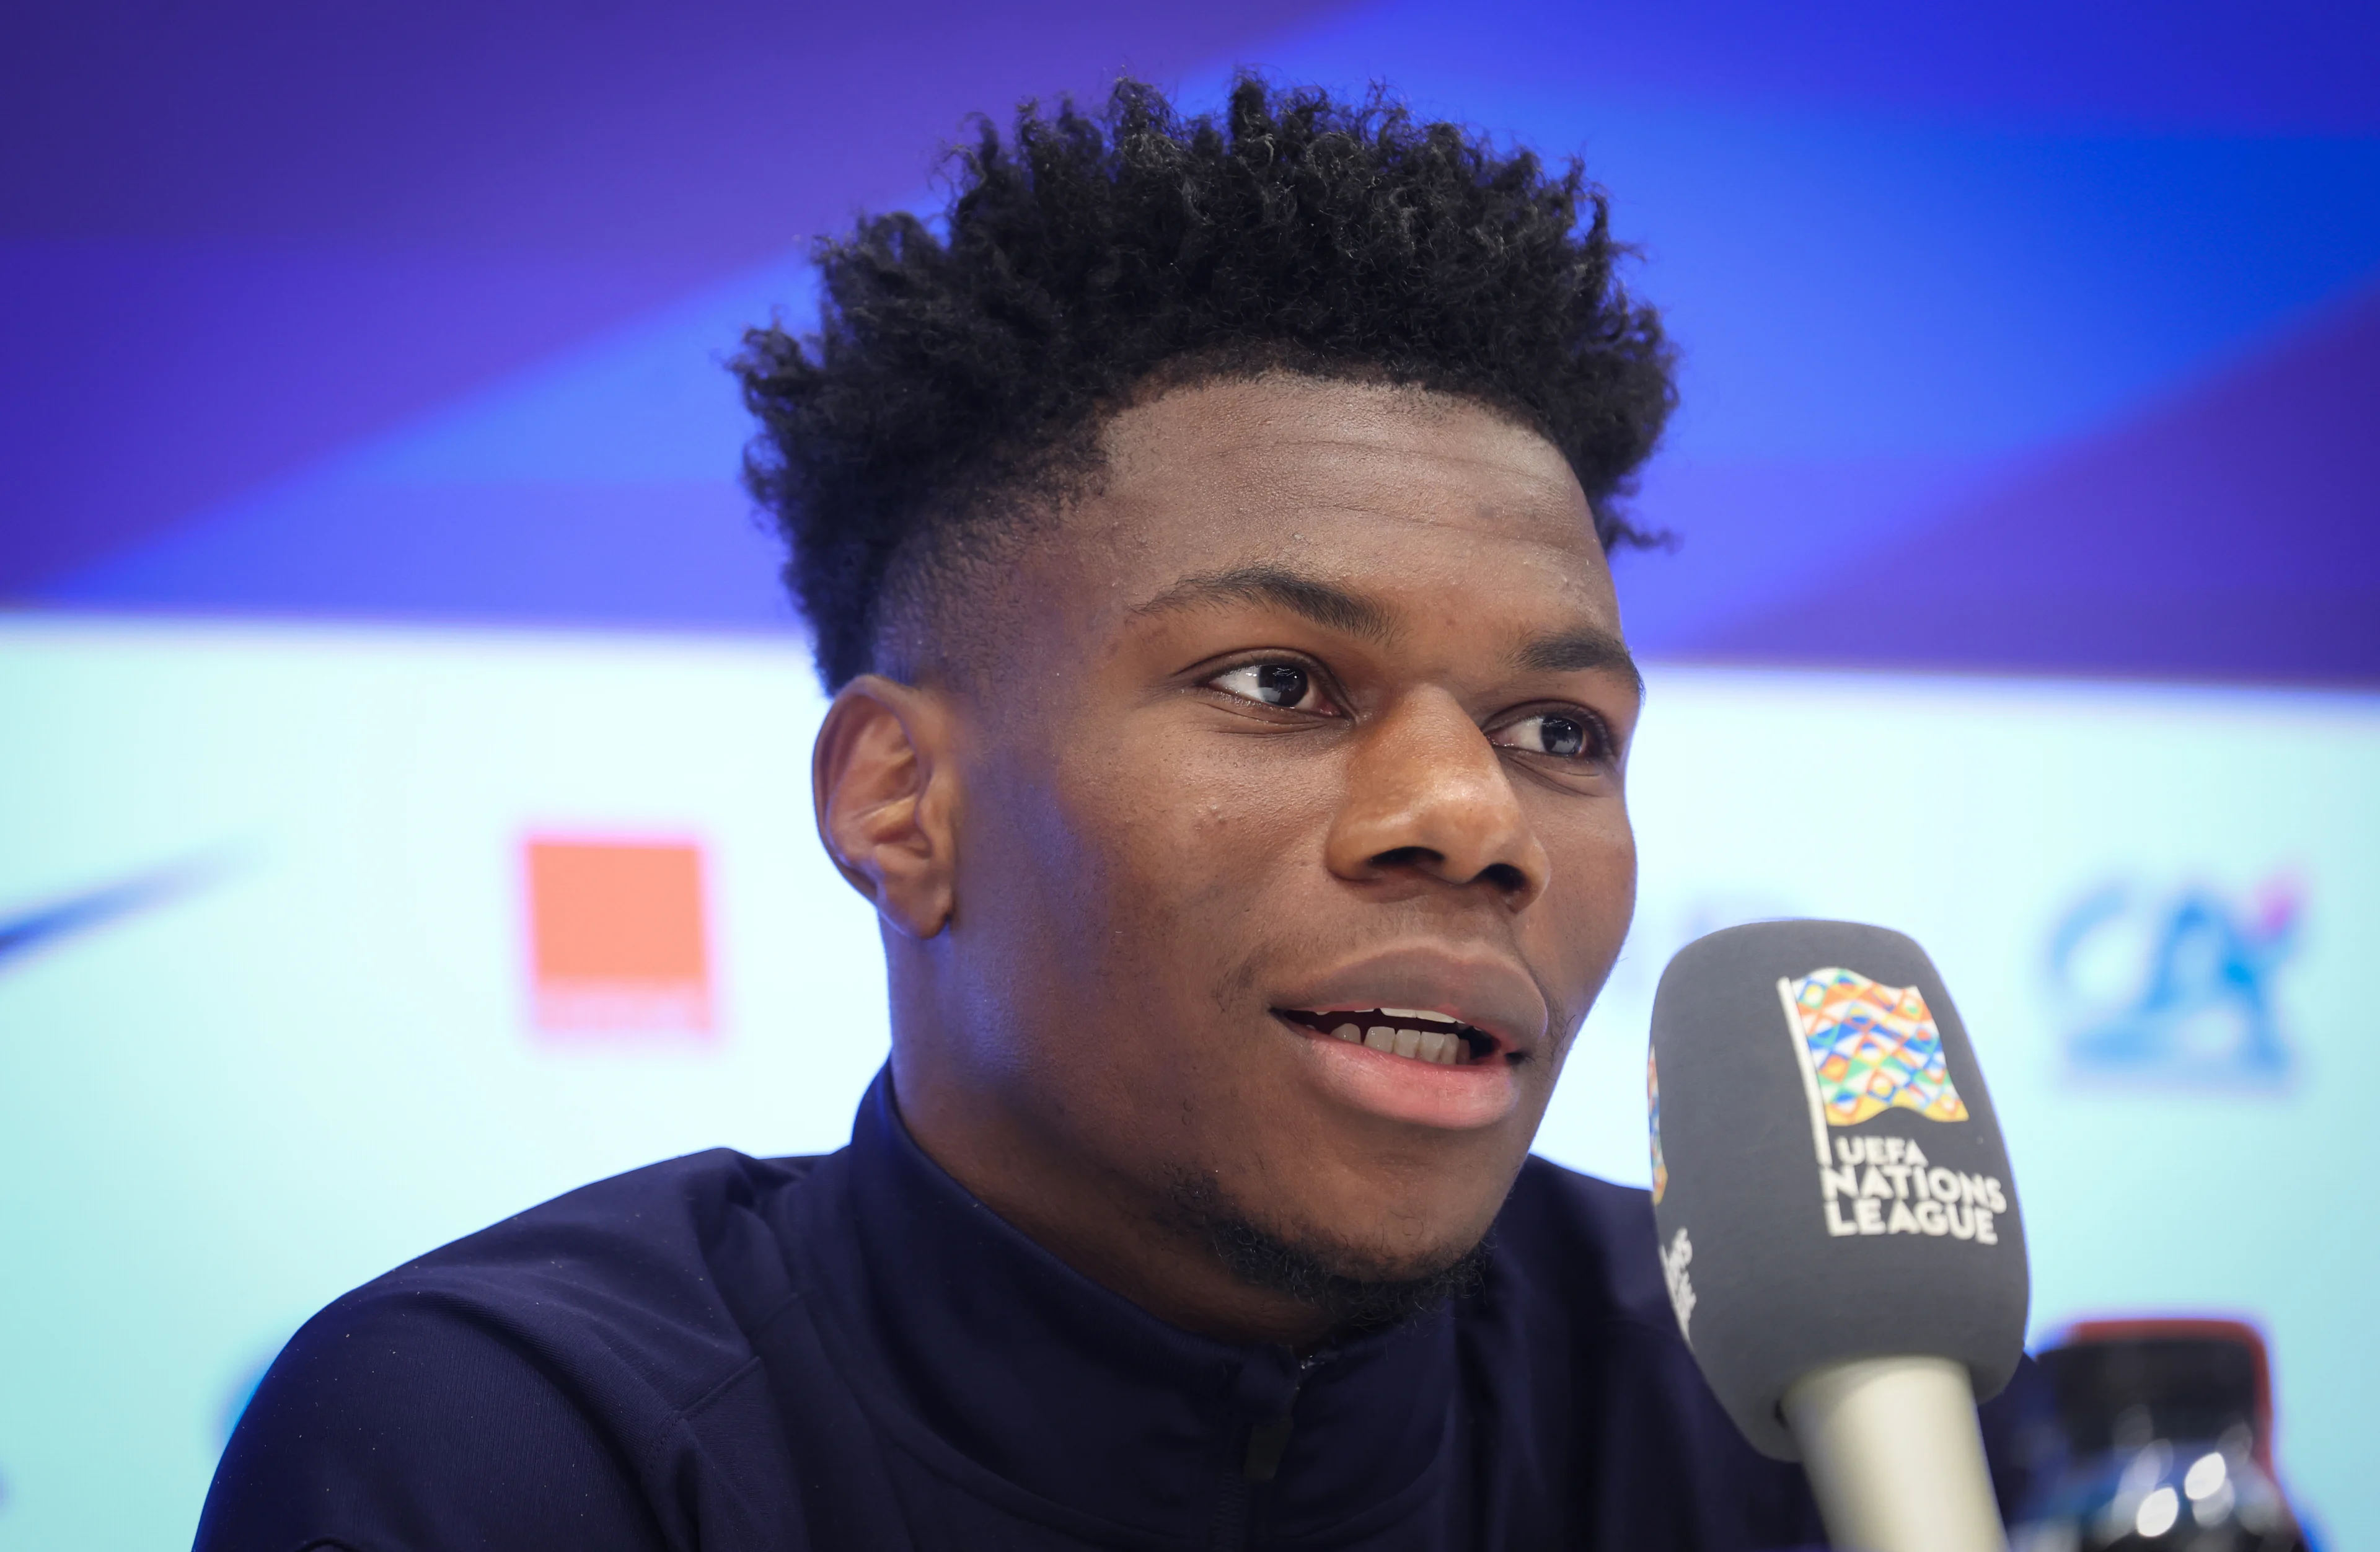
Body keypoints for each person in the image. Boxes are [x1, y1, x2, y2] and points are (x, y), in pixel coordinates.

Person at [196, 76, 2037, 1550]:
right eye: (1277, 685)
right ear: (900, 804)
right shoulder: (517, 1449)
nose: (1471, 818)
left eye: (1560, 726)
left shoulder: (1808, 1433)